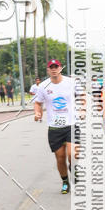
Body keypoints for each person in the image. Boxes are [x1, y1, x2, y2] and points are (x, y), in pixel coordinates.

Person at [33, 60, 81, 194]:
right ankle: (65, 181)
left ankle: (75, 170)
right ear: (48, 70)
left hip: (71, 123)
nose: (54, 69)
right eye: (51, 67)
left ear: (60, 68)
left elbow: (82, 97)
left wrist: (83, 109)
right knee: (60, 157)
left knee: (73, 155)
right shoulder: (43, 86)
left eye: (56, 67)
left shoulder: (71, 83)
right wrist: (38, 112)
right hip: (54, 127)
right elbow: (38, 103)